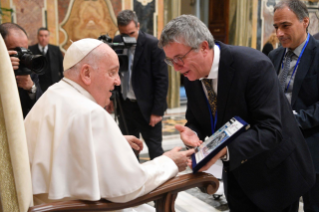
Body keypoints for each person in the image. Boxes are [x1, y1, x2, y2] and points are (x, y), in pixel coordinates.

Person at [159, 14, 315, 212]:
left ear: (204, 47)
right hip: (237, 177)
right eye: (171, 61)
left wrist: (223, 150)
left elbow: (271, 129)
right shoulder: (192, 74)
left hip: (275, 176)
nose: (177, 68)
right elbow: (199, 119)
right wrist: (193, 131)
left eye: (179, 58)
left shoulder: (253, 66)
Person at [24, 38, 194, 211]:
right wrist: (169, 162)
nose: (118, 81)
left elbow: (62, 146)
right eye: (112, 72)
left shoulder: (53, 93)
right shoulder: (91, 113)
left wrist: (111, 140)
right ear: (86, 74)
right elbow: (128, 187)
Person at [269, 1, 319, 211]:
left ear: (305, 21)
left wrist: (293, 120)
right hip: (278, 146)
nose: (279, 33)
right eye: (276, 27)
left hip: (311, 145)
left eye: (285, 26)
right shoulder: (274, 56)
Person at [111, 10, 168, 160]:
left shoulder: (153, 44)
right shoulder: (117, 41)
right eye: (124, 34)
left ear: (138, 25)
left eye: (131, 33)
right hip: (125, 106)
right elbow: (113, 72)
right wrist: (111, 98)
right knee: (129, 149)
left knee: (155, 148)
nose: (128, 38)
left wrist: (157, 111)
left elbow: (162, 79)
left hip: (148, 108)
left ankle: (161, 181)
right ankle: (134, 181)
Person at [0, 23, 42, 118]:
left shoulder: (28, 70)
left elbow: (41, 108)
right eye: (16, 51)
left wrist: (31, 88)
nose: (22, 55)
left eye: (25, 50)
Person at [29, 27, 63, 92]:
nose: (43, 38)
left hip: (53, 84)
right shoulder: (31, 50)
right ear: (37, 37)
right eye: (41, 36)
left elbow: (62, 67)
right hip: (37, 85)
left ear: (49, 37)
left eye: (46, 36)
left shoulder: (56, 49)